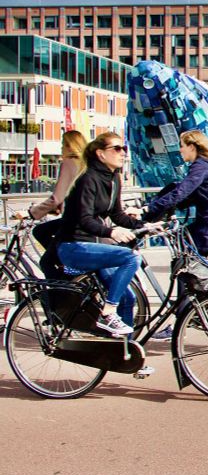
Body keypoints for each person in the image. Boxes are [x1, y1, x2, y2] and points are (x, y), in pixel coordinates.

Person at [55, 132, 145, 337]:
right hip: (73, 247)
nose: (122, 153)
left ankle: (126, 354)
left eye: (124, 148)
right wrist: (111, 232)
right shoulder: (87, 179)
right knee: (131, 258)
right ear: (101, 154)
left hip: (92, 247)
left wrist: (147, 224)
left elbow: (117, 214)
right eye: (116, 149)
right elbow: (84, 220)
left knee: (128, 298)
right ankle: (109, 312)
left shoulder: (113, 178)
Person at [144, 131, 208, 256]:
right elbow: (197, 195)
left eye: (182, 146)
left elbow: (180, 192)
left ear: (192, 147)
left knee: (186, 255)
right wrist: (173, 206)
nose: (180, 150)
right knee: (188, 253)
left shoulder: (201, 166)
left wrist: (149, 209)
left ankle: (190, 274)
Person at [13, 131, 88, 273]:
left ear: (69, 145)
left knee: (46, 262)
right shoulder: (86, 164)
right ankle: (64, 263)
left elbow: (57, 198)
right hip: (86, 220)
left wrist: (31, 212)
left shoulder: (69, 162)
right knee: (42, 231)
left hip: (75, 223)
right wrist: (56, 208)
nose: (61, 148)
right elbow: (72, 193)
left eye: (62, 144)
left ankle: (58, 292)